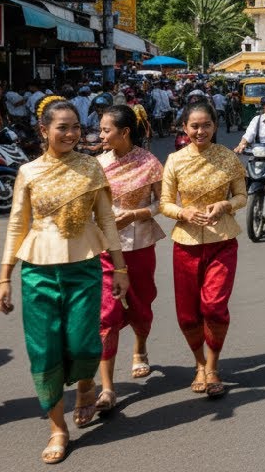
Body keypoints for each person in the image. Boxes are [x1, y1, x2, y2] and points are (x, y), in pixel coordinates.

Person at [0, 96, 128, 463]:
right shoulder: (29, 172)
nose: (71, 133)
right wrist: (4, 277)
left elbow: (105, 221)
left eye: (75, 127)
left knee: (84, 342)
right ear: (44, 131)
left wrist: (120, 268)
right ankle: (57, 428)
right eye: (62, 127)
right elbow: (16, 226)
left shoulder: (91, 168)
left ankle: (86, 386)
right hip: (37, 270)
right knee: (44, 350)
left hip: (84, 266)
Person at [161, 101, 246, 400]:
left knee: (213, 306)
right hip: (186, 244)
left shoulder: (228, 158)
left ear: (215, 126)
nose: (200, 131)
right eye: (194, 126)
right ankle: (199, 363)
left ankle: (213, 365)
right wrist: (182, 213)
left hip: (222, 241)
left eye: (206, 125)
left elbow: (241, 196)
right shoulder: (174, 160)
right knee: (187, 314)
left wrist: (225, 205)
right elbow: (165, 203)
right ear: (184, 128)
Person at [94, 105, 165, 412]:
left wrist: (135, 214)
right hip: (105, 248)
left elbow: (164, 202)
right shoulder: (96, 164)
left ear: (124, 132)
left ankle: (140, 347)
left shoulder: (149, 163)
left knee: (141, 301)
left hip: (139, 242)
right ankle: (107, 387)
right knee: (106, 316)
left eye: (105, 130)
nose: (100, 135)